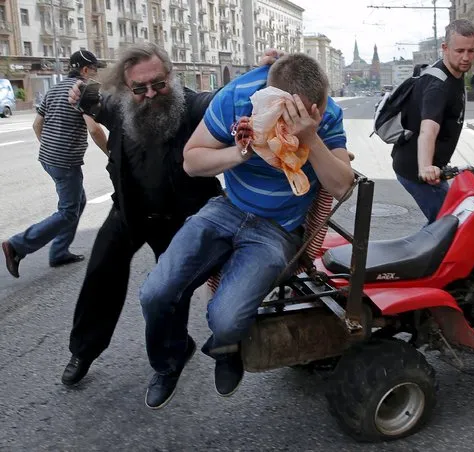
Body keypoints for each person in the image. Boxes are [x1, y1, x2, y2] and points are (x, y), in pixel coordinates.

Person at [137, 53, 353, 409]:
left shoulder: (323, 115)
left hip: (277, 229)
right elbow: (192, 161)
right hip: (228, 208)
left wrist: (311, 138)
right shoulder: (239, 97)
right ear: (272, 99)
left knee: (226, 317)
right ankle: (169, 361)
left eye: (315, 111)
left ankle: (225, 347)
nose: (305, 119)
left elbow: (343, 186)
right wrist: (240, 153)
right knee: (155, 293)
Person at [59, 42, 280, 387]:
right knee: (101, 275)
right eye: (140, 88)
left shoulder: (192, 106)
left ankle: (174, 356)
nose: (151, 94)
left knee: (170, 291)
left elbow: (225, 97)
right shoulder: (120, 105)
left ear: (171, 76)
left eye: (158, 84)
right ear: (127, 87)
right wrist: (79, 94)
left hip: (182, 216)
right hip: (128, 210)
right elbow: (96, 103)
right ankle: (83, 351)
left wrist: (262, 73)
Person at [2, 50, 108, 279]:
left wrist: (51, 148)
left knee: (78, 202)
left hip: (48, 158)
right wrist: (112, 153)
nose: (96, 73)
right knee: (69, 211)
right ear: (85, 69)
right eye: (94, 69)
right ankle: (17, 245)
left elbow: (36, 124)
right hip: (65, 162)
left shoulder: (55, 88)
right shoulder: (82, 90)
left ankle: (59, 251)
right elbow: (94, 129)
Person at [390, 19, 474, 224]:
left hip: (430, 169)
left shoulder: (453, 73)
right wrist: (425, 167)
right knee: (448, 228)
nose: (466, 57)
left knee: (445, 225)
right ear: (445, 48)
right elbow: (428, 129)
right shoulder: (438, 86)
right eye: (460, 51)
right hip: (417, 172)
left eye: (471, 51)